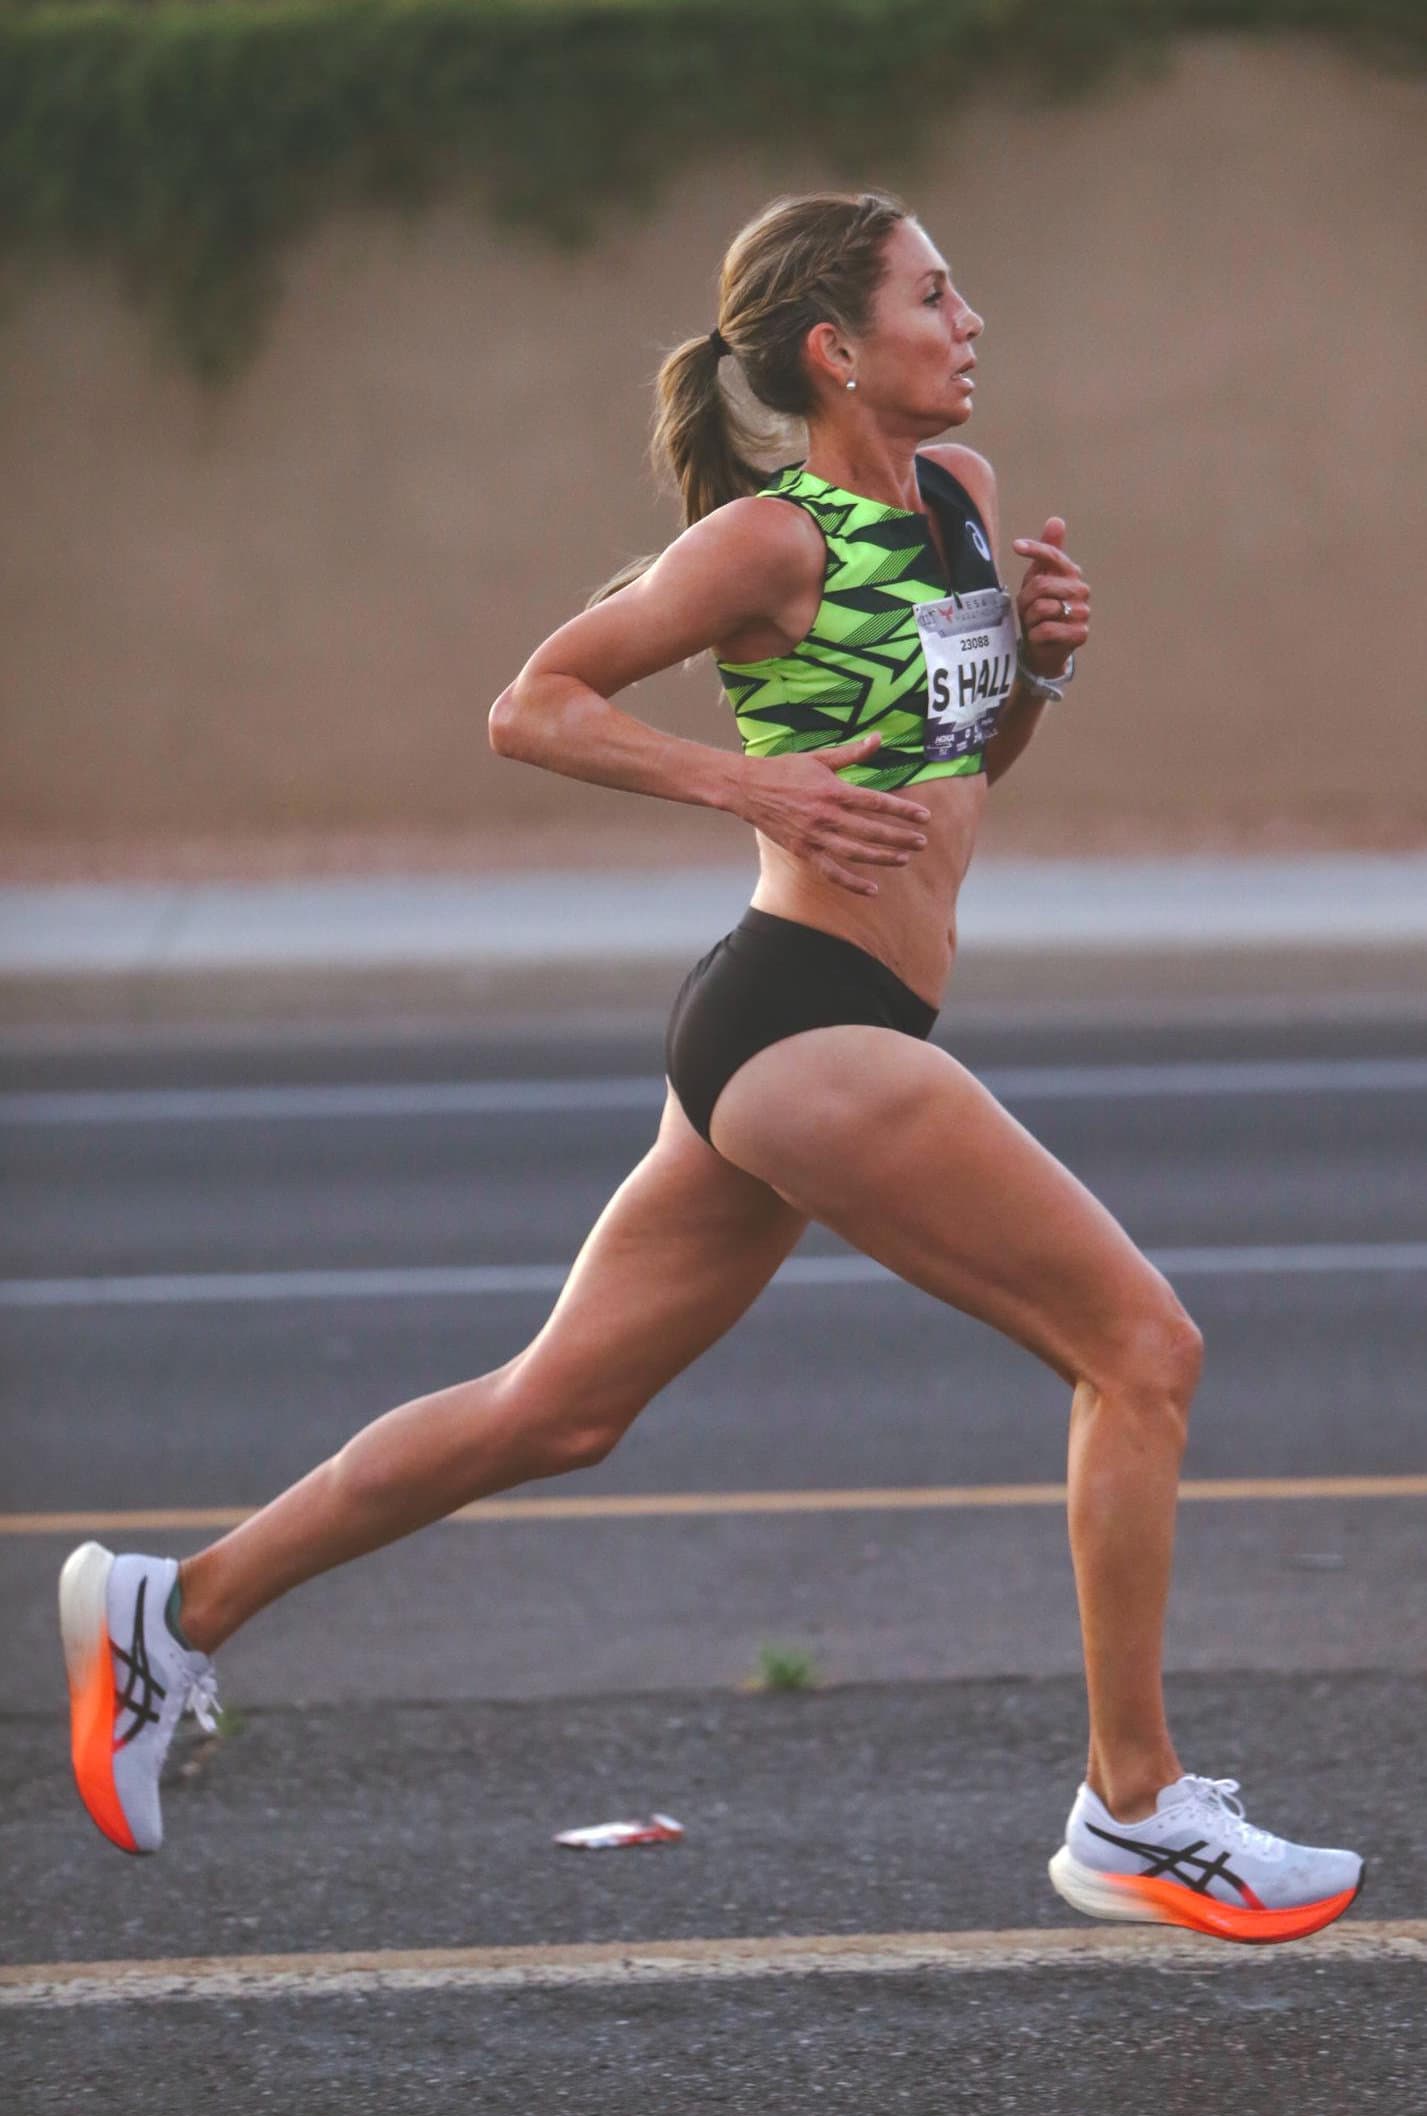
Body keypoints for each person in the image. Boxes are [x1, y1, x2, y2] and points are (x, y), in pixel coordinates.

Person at [60, 189, 1363, 1945]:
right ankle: (1133, 1810)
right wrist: (743, 784)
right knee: (1142, 1348)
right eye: (933, 291)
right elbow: (534, 702)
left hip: (837, 1021)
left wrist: (1045, 663)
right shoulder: (772, 543)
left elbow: (957, 774)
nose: (968, 316)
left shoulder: (965, 501)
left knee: (560, 1407)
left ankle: (174, 1607)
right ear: (837, 348)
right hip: (798, 1017)